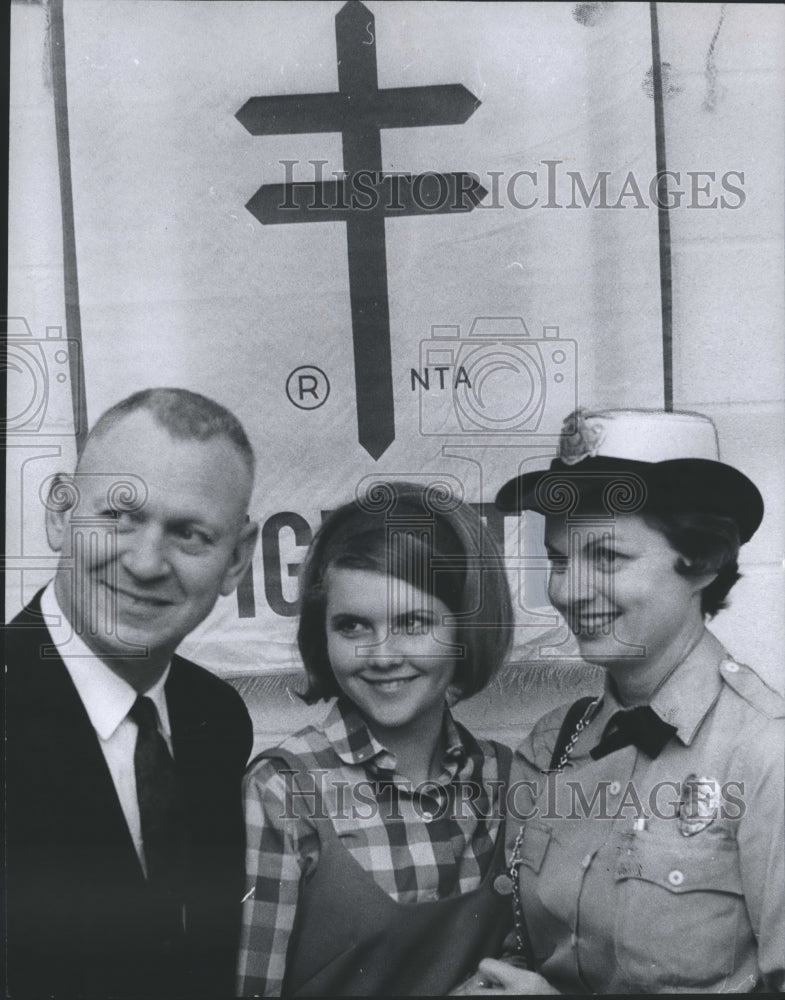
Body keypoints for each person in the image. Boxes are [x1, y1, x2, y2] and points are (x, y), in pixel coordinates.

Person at [457, 407, 784, 995]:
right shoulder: (551, 744)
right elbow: (528, 947)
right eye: (559, 560)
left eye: (606, 557)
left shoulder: (768, 756)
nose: (568, 591)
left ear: (704, 561)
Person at [5, 388, 260, 998]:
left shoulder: (218, 719)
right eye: (119, 516)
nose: (146, 563)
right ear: (61, 514)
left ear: (237, 560)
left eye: (191, 534)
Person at [237, 481, 516, 996]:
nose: (382, 655)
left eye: (413, 622)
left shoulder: (508, 777)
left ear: (465, 630)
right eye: (353, 627)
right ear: (322, 636)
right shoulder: (281, 791)